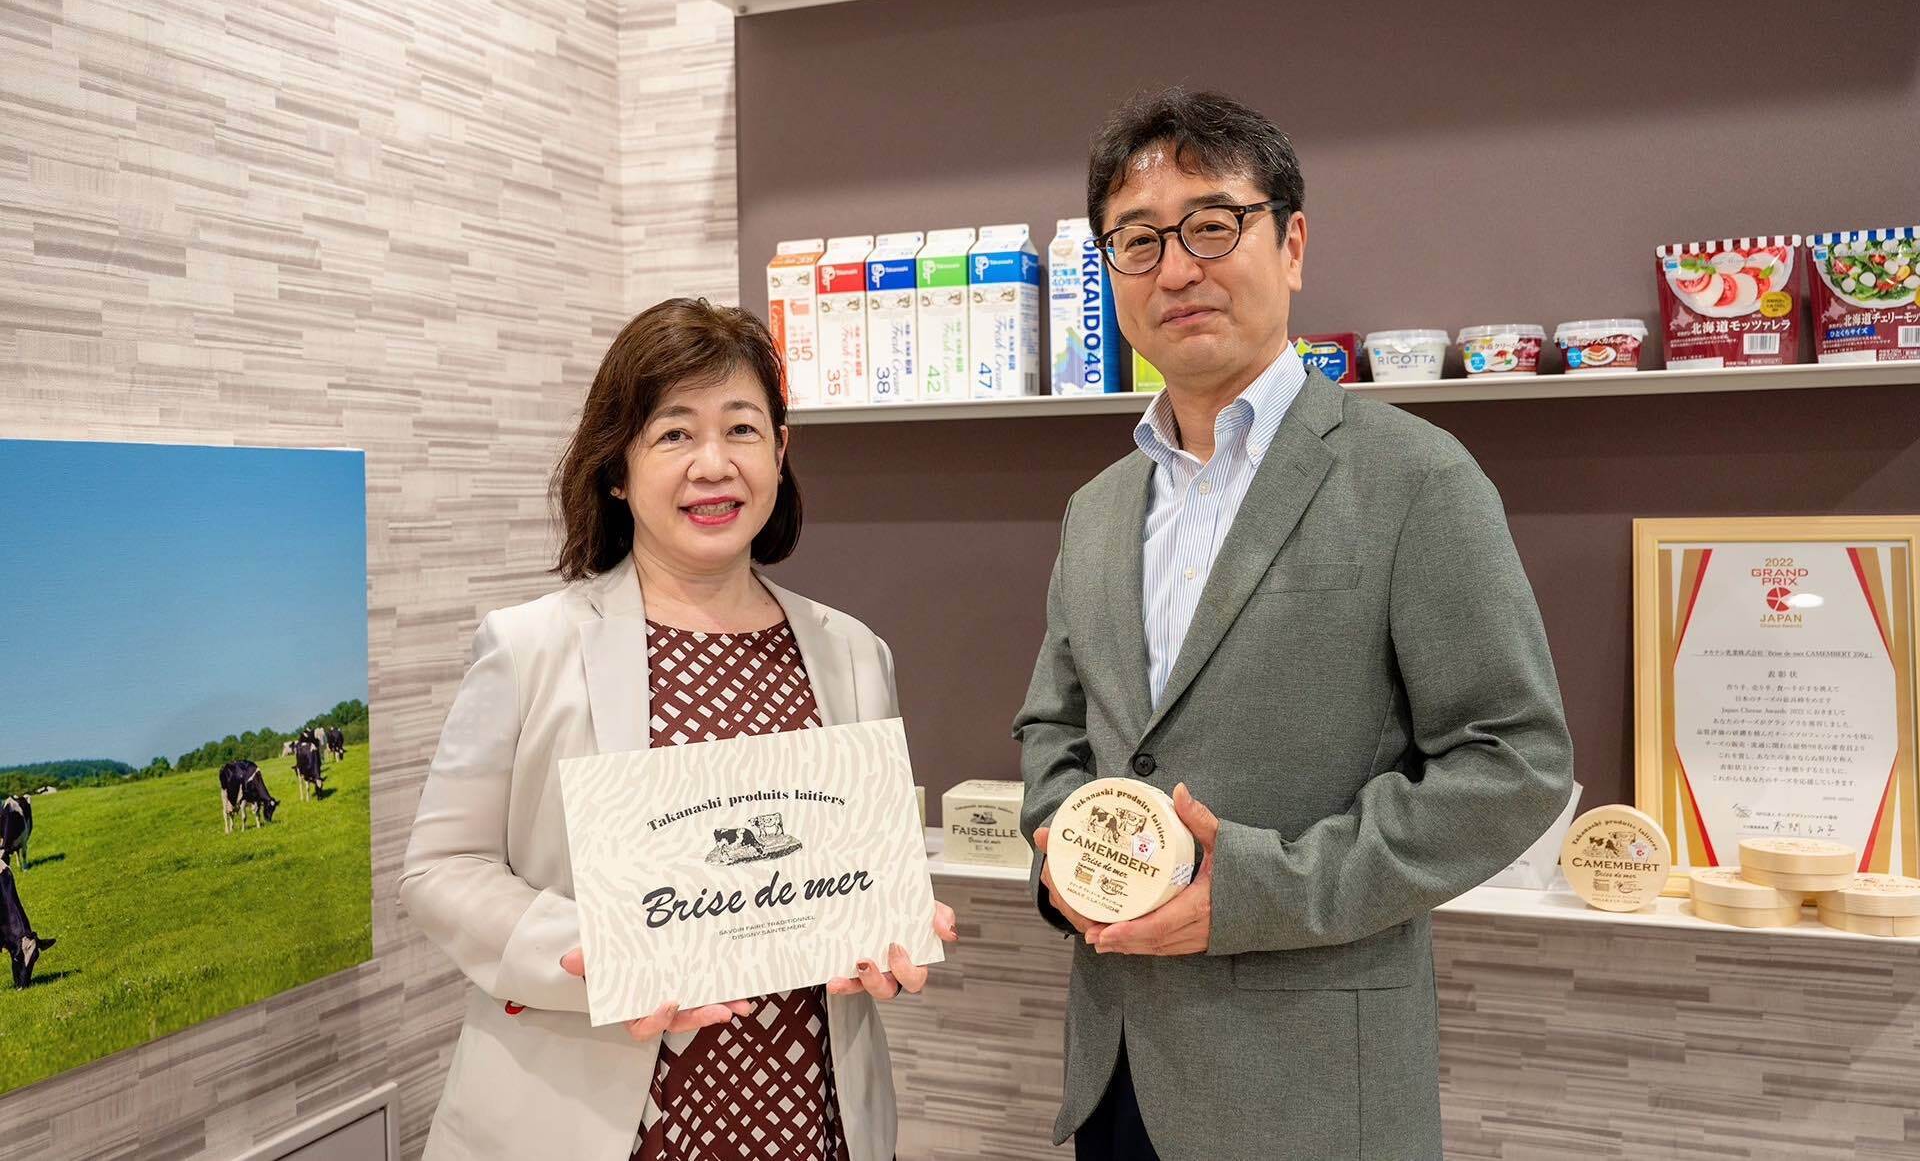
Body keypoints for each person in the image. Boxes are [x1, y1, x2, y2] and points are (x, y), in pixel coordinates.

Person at [1013, 89, 1574, 1161]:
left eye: (1212, 225)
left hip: (1313, 1092)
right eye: (1138, 240)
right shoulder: (1097, 509)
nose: (1176, 269)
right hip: (1117, 1071)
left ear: (1294, 243)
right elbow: (1053, 728)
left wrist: (1258, 889)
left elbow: (1516, 761)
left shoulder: (1416, 477)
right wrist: (1067, 860)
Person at [401, 297, 957, 1161]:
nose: (713, 464)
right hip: (590, 1116)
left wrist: (890, 926)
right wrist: (598, 951)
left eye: (742, 429)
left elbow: (852, 866)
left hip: (806, 1107)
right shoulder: (530, 647)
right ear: (618, 469)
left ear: (779, 451)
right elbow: (441, 867)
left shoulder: (852, 652)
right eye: (673, 434)